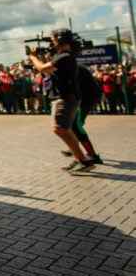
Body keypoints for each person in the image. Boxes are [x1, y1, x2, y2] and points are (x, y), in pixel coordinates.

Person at [27, 28, 96, 174]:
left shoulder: (64, 56)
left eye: (53, 41)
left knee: (60, 128)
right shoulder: (62, 56)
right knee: (65, 129)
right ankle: (79, 158)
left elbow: (41, 68)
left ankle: (84, 160)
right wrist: (41, 57)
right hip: (66, 96)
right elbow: (46, 71)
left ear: (61, 41)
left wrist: (33, 57)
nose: (52, 44)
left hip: (66, 97)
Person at [60, 64, 103, 164]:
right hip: (85, 95)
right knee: (76, 124)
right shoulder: (69, 64)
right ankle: (75, 147)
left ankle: (93, 155)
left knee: (76, 125)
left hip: (86, 97)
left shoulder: (67, 65)